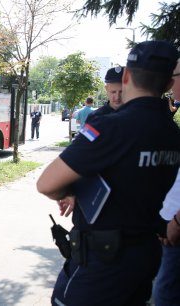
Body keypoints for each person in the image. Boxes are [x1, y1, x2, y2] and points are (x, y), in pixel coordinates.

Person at [36, 40, 180, 306]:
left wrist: (70, 191)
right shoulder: (172, 133)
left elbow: (46, 184)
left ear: (126, 76)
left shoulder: (112, 128)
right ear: (169, 84)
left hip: (103, 262)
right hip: (145, 254)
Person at [153, 59, 180, 306]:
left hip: (176, 230)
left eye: (176, 76)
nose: (172, 84)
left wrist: (177, 222)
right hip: (169, 226)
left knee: (165, 295)